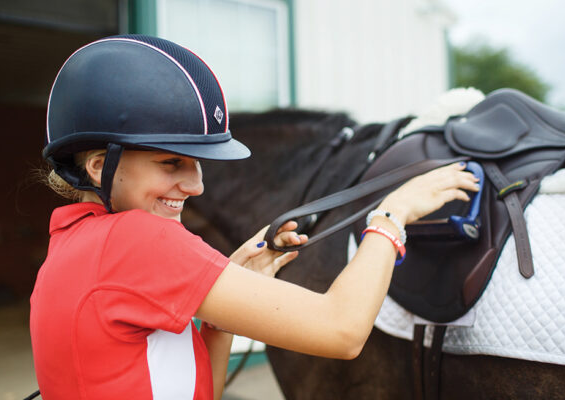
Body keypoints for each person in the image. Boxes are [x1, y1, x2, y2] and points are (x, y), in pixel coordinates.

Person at [29, 34, 479, 400]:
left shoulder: (68, 243)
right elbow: (342, 331)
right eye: (171, 163)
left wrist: (223, 313)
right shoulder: (138, 239)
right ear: (97, 166)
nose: (196, 185)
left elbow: (195, 391)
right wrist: (393, 214)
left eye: (198, 163)